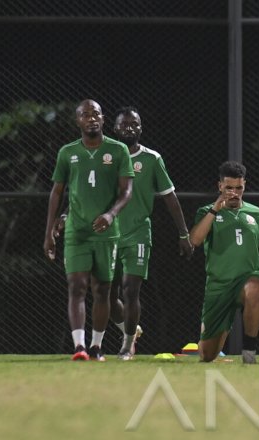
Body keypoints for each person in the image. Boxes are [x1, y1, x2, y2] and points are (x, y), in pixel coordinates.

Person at [43, 99, 133, 361]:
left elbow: (126, 191)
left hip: (106, 231)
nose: (91, 118)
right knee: (77, 286)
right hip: (76, 231)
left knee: (103, 290)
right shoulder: (67, 152)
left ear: (103, 119)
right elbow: (57, 191)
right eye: (85, 115)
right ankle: (79, 346)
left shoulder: (117, 151)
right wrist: (49, 230)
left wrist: (110, 214)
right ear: (78, 121)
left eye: (96, 114)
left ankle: (96, 346)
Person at [107, 107, 194, 360]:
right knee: (108, 297)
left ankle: (126, 346)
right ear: (115, 129)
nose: (129, 128)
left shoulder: (152, 159)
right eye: (124, 125)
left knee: (130, 290)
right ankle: (130, 330)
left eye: (134, 124)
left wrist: (183, 233)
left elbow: (170, 198)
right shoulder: (106, 157)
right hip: (108, 235)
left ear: (141, 128)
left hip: (138, 233)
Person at [187, 161, 259, 364]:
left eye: (239, 188)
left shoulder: (258, 214)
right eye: (229, 188)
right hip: (218, 286)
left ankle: (249, 354)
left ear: (244, 186)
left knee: (253, 288)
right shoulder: (207, 212)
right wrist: (215, 209)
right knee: (207, 355)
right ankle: (217, 334)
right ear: (220, 187)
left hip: (248, 277)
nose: (234, 192)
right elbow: (195, 240)